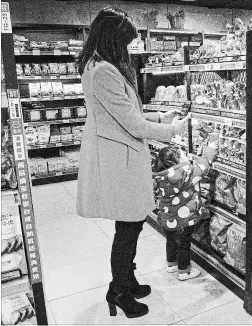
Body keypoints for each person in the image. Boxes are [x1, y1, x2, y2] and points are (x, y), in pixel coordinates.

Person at [75, 7, 189, 319]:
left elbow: (129, 113)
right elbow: (133, 125)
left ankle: (127, 279)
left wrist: (159, 115)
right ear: (112, 39)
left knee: (131, 223)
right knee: (128, 226)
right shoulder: (103, 72)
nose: (127, 49)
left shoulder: (100, 64)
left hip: (119, 152)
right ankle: (120, 290)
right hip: (118, 157)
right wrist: (171, 130)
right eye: (124, 42)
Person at [152, 141, 217, 280]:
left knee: (170, 240)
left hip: (167, 216)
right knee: (184, 243)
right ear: (176, 161)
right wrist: (209, 150)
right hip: (183, 217)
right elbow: (202, 167)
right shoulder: (186, 172)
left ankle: (172, 264)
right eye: (183, 155)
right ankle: (184, 271)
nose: (186, 157)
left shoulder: (160, 175)